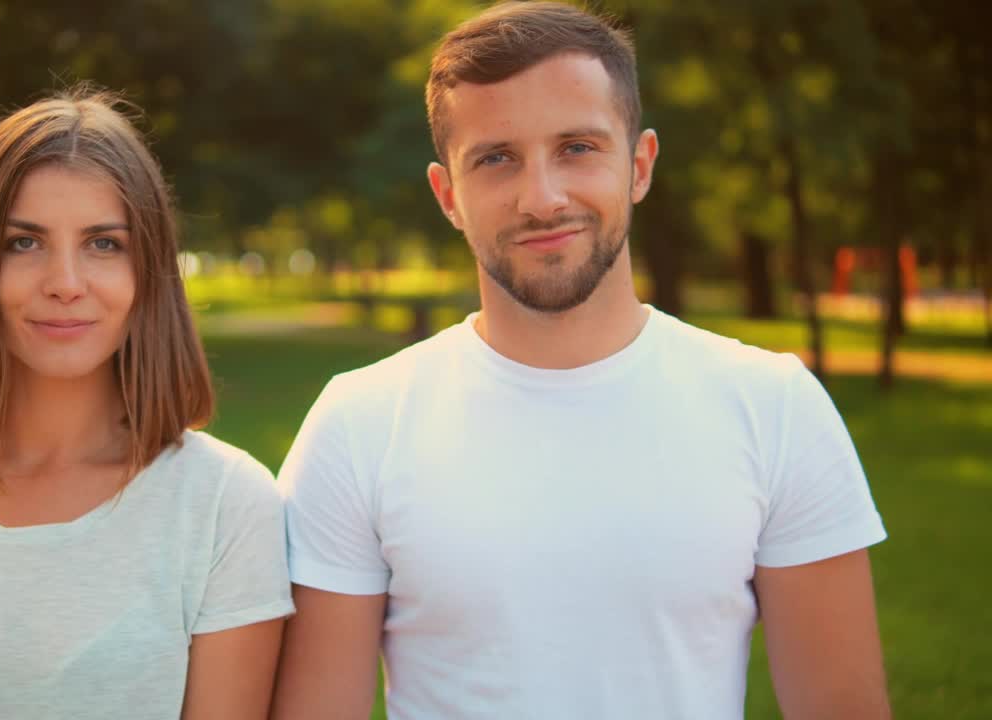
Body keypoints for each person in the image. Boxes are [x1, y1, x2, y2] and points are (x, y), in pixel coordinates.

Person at [271, 3, 889, 719]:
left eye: (578, 148)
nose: (543, 198)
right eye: (496, 158)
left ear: (640, 164)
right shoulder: (359, 424)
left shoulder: (774, 405)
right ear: (449, 196)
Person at [0, 88, 293, 720]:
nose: (65, 284)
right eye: (24, 243)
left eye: (103, 244)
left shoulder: (228, 505)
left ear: (147, 271)